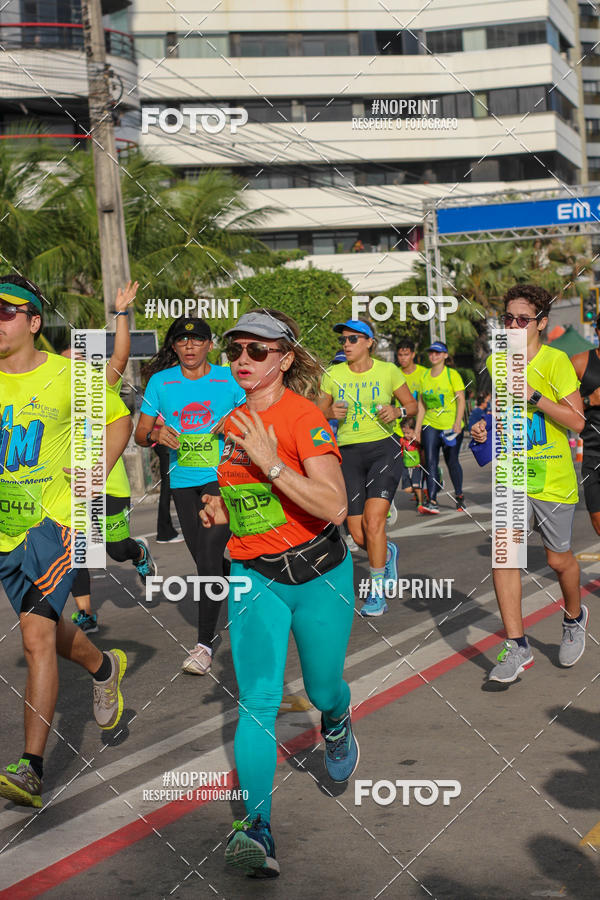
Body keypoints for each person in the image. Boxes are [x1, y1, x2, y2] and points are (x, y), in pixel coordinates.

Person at [200, 309, 357, 878]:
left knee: (320, 689)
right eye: (236, 349)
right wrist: (222, 509)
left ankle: (336, 720)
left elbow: (334, 505)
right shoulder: (231, 421)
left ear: (285, 358)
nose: (244, 359)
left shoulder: (304, 418)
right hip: (253, 573)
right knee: (258, 700)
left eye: (258, 350)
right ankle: (256, 828)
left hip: (319, 574)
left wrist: (270, 465)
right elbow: (245, 504)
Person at [0, 274, 131, 809]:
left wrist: (97, 469)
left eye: (7, 312)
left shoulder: (68, 375)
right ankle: (103, 666)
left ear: (33, 322)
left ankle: (31, 767)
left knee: (34, 640)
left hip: (55, 523)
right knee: (52, 636)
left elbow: (119, 420)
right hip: (6, 529)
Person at [472, 284, 587, 683]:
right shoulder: (498, 362)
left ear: (541, 323)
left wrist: (534, 395)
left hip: (553, 475)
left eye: (523, 319)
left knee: (558, 560)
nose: (515, 326)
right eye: (508, 319)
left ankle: (573, 617)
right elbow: (503, 415)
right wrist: (487, 429)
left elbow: (577, 421)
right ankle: (517, 645)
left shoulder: (556, 361)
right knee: (505, 558)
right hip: (513, 476)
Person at [135, 317, 245, 675]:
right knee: (205, 561)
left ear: (209, 345)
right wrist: (157, 436)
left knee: (210, 553)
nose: (190, 347)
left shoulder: (229, 379)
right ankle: (247, 580)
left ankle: (203, 645)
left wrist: (232, 427)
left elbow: (254, 420)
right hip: (182, 481)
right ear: (174, 347)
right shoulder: (160, 382)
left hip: (223, 479)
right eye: (182, 341)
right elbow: (140, 434)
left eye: (197, 340)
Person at [67, 281, 158, 634]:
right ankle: (86, 613)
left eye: (78, 363)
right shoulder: (50, 405)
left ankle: (138, 552)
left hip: (109, 483)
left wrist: (120, 313)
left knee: (114, 549)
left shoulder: (99, 388)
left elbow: (119, 356)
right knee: (78, 551)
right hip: (70, 485)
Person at [318, 319, 417, 616]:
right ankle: (387, 553)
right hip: (348, 453)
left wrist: (397, 410)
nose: (346, 345)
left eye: (352, 339)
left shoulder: (388, 371)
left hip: (384, 449)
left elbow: (411, 405)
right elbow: (315, 410)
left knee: (374, 523)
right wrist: (328, 411)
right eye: (343, 340)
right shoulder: (333, 374)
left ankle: (376, 595)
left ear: (369, 342)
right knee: (358, 534)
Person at [415, 341, 466, 514]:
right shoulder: (424, 376)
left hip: (451, 426)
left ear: (445, 355)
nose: (434, 356)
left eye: (438, 353)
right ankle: (432, 500)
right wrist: (417, 429)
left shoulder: (452, 375)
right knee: (430, 462)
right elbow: (421, 405)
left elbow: (461, 399)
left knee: (452, 461)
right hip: (430, 424)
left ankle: (459, 496)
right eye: (431, 353)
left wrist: (458, 422)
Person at [570, 314, 600, 537]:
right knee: (597, 518)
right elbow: (562, 403)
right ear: (598, 331)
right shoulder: (580, 362)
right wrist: (590, 401)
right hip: (592, 453)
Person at [394, 338, 426, 497]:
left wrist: (418, 430)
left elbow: (423, 404)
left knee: (424, 460)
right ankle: (414, 486)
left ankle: (426, 485)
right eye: (400, 355)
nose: (403, 358)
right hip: (401, 427)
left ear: (413, 354)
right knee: (405, 460)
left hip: (422, 423)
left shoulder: (423, 373)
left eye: (406, 354)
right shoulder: (395, 373)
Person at [152, 414, 183, 544]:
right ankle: (164, 532)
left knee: (168, 486)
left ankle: (165, 530)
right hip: (163, 442)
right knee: (167, 486)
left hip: (165, 442)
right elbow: (154, 419)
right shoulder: (157, 396)